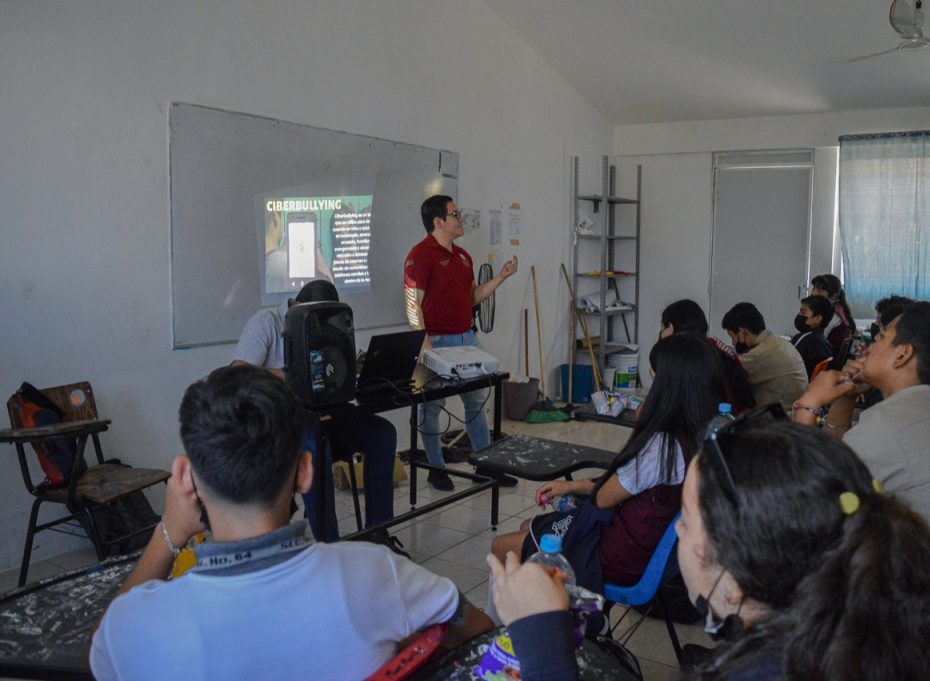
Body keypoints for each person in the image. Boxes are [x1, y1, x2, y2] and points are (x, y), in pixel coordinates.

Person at [487, 418, 930, 681]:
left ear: (737, 573)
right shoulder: (915, 634)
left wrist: (543, 644)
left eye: (685, 520)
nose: (676, 531)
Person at [90, 365, 493, 681]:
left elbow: (103, 657)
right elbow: (481, 633)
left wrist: (169, 531)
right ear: (305, 471)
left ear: (185, 477)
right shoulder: (377, 573)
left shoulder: (139, 626)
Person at [791, 302, 930, 635]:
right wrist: (845, 398)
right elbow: (838, 462)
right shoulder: (923, 412)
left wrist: (809, 405)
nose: (868, 346)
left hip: (918, 629)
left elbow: (799, 499)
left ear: (903, 355)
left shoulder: (894, 428)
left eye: (881, 336)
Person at [489, 334, 728, 594]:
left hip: (617, 559)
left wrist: (647, 416)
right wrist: (569, 486)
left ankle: (526, 614)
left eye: (655, 380)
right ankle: (541, 599)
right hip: (647, 549)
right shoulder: (704, 433)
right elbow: (624, 482)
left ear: (668, 389)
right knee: (529, 526)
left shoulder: (662, 447)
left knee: (500, 547)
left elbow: (604, 498)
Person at [232, 279, 398, 539]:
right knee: (315, 446)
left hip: (324, 416)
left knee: (382, 434)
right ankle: (328, 544)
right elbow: (239, 373)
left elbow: (331, 371)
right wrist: (294, 374)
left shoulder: (327, 324)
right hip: (282, 426)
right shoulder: (266, 323)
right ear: (298, 306)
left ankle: (377, 533)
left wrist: (351, 368)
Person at [404, 194, 519, 491]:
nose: (461, 219)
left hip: (467, 338)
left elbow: (472, 297)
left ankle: (485, 465)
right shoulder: (419, 256)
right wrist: (424, 345)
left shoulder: (464, 257)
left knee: (476, 401)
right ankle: (435, 467)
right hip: (435, 341)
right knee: (431, 407)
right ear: (438, 222)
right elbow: (412, 305)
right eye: (455, 214)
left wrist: (502, 277)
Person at [659, 299, 755, 411]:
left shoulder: (689, 364)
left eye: (662, 328)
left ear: (670, 329)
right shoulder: (714, 350)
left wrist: (659, 381)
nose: (660, 334)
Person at [721, 302, 807, 408]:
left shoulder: (760, 353)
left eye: (732, 336)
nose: (733, 343)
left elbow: (725, 374)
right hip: (793, 409)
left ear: (742, 332)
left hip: (780, 416)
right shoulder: (776, 342)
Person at [790, 295, 834, 377]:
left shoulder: (808, 340)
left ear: (817, 319)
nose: (799, 315)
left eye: (803, 313)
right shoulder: (821, 340)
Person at [810, 273, 854, 349]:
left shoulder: (833, 314)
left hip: (824, 353)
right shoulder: (832, 308)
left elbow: (817, 340)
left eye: (819, 291)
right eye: (813, 289)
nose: (813, 293)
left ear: (834, 295)